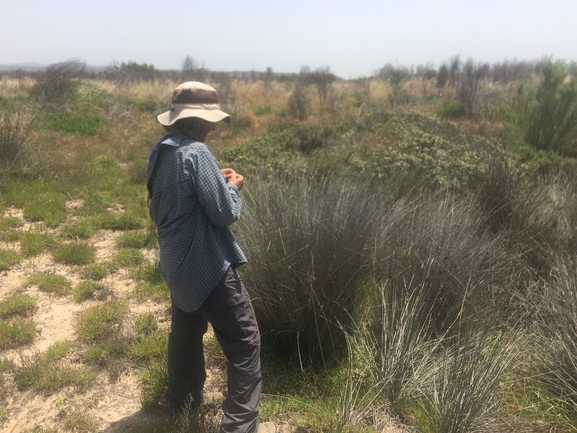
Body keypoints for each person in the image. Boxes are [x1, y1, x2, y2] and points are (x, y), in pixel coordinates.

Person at [146, 82, 275, 433]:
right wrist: (232, 187)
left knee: (185, 333)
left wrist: (213, 182)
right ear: (201, 123)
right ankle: (238, 426)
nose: (214, 129)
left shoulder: (161, 152)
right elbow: (224, 213)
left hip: (175, 264)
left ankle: (183, 404)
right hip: (207, 267)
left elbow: (171, 199)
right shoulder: (197, 153)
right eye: (212, 123)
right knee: (245, 342)